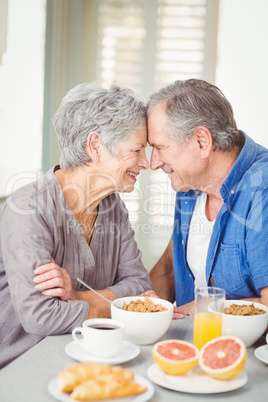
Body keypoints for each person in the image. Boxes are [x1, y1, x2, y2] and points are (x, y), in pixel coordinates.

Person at [0, 82, 152, 368]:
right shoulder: (28, 209)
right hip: (19, 363)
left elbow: (141, 286)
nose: (146, 163)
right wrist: (120, 305)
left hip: (85, 355)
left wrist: (76, 298)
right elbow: (41, 316)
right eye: (136, 149)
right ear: (94, 145)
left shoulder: (112, 204)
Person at [146, 78, 268, 316]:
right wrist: (138, 314)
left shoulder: (262, 190)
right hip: (192, 345)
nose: (153, 163)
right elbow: (171, 266)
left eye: (160, 147)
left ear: (202, 141)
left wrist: (206, 309)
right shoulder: (190, 185)